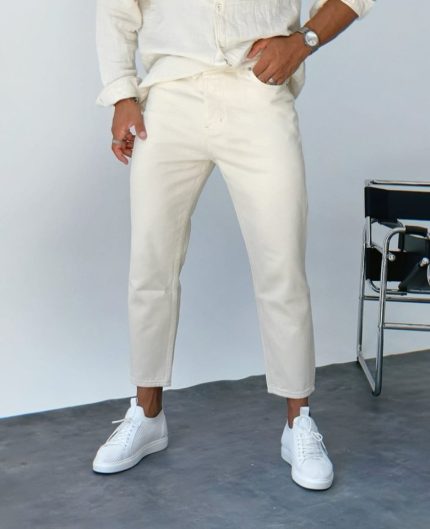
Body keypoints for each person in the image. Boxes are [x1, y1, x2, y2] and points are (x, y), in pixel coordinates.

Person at [92, 0, 374, 490]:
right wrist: (121, 94)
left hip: (257, 90)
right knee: (151, 265)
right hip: (170, 95)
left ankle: (299, 423)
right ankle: (147, 414)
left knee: (281, 265)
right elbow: (117, 8)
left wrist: (303, 41)